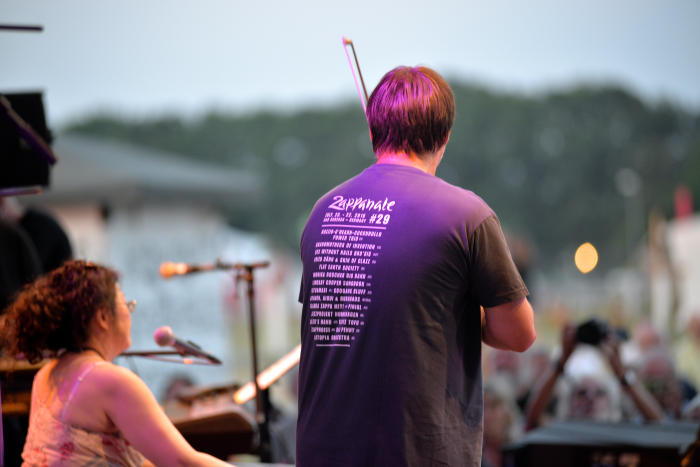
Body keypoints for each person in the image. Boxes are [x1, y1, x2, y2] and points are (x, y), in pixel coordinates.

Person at [297, 66, 536, 466]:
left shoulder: (323, 211)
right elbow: (519, 333)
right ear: (445, 136)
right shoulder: (466, 215)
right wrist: (459, 307)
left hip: (322, 451)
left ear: (373, 131)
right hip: (416, 452)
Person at [0, 260, 233, 466]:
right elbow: (182, 462)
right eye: (126, 304)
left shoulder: (46, 374)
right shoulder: (109, 380)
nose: (130, 314)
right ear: (103, 317)